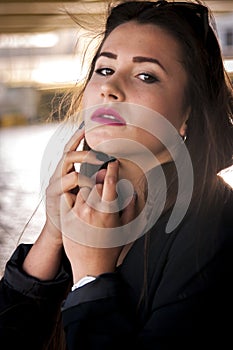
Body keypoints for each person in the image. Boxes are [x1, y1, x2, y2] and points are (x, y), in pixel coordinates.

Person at [0, 0, 233, 349]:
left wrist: (93, 278)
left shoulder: (216, 226)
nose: (109, 88)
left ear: (188, 112)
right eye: (104, 70)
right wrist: (53, 233)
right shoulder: (93, 203)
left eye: (145, 76)